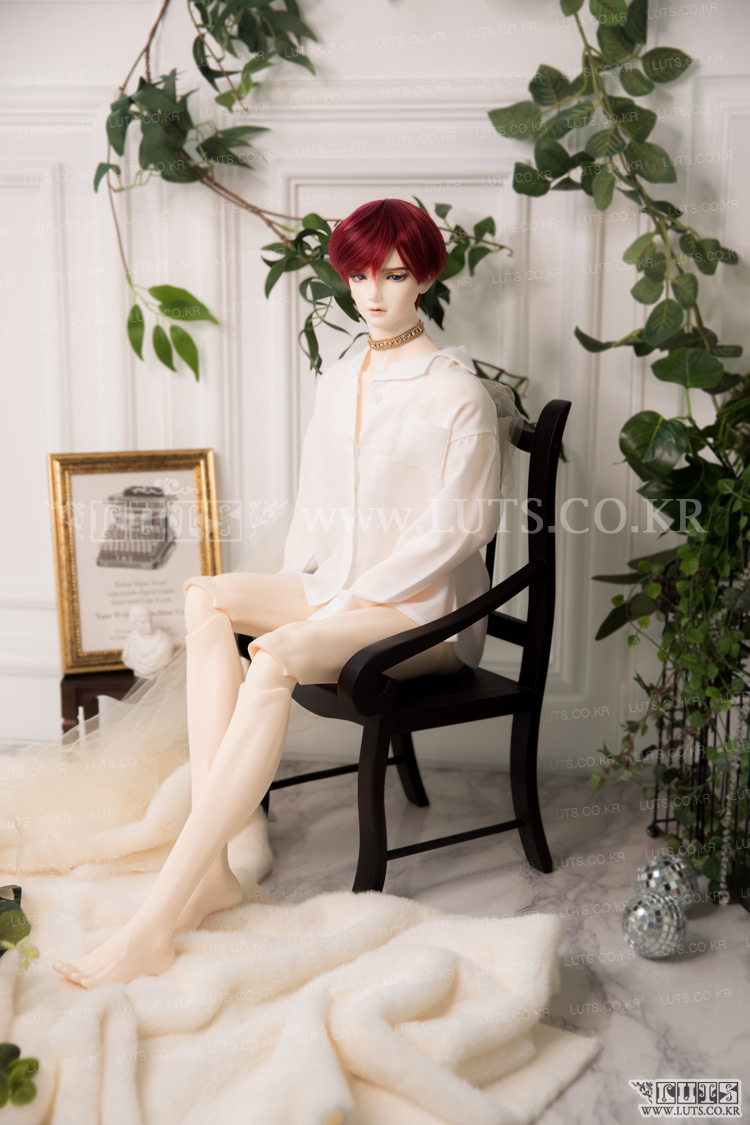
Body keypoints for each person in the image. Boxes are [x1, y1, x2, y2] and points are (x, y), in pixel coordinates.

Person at [52, 198, 522, 988]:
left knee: (271, 657)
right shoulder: (341, 375)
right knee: (206, 597)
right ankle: (217, 865)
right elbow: (316, 499)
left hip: (422, 614)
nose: (373, 293)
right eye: (360, 276)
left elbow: (462, 529)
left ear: (424, 277)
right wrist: (310, 581)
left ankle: (157, 918)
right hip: (338, 588)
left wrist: (345, 601)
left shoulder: (457, 394)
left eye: (393, 276)